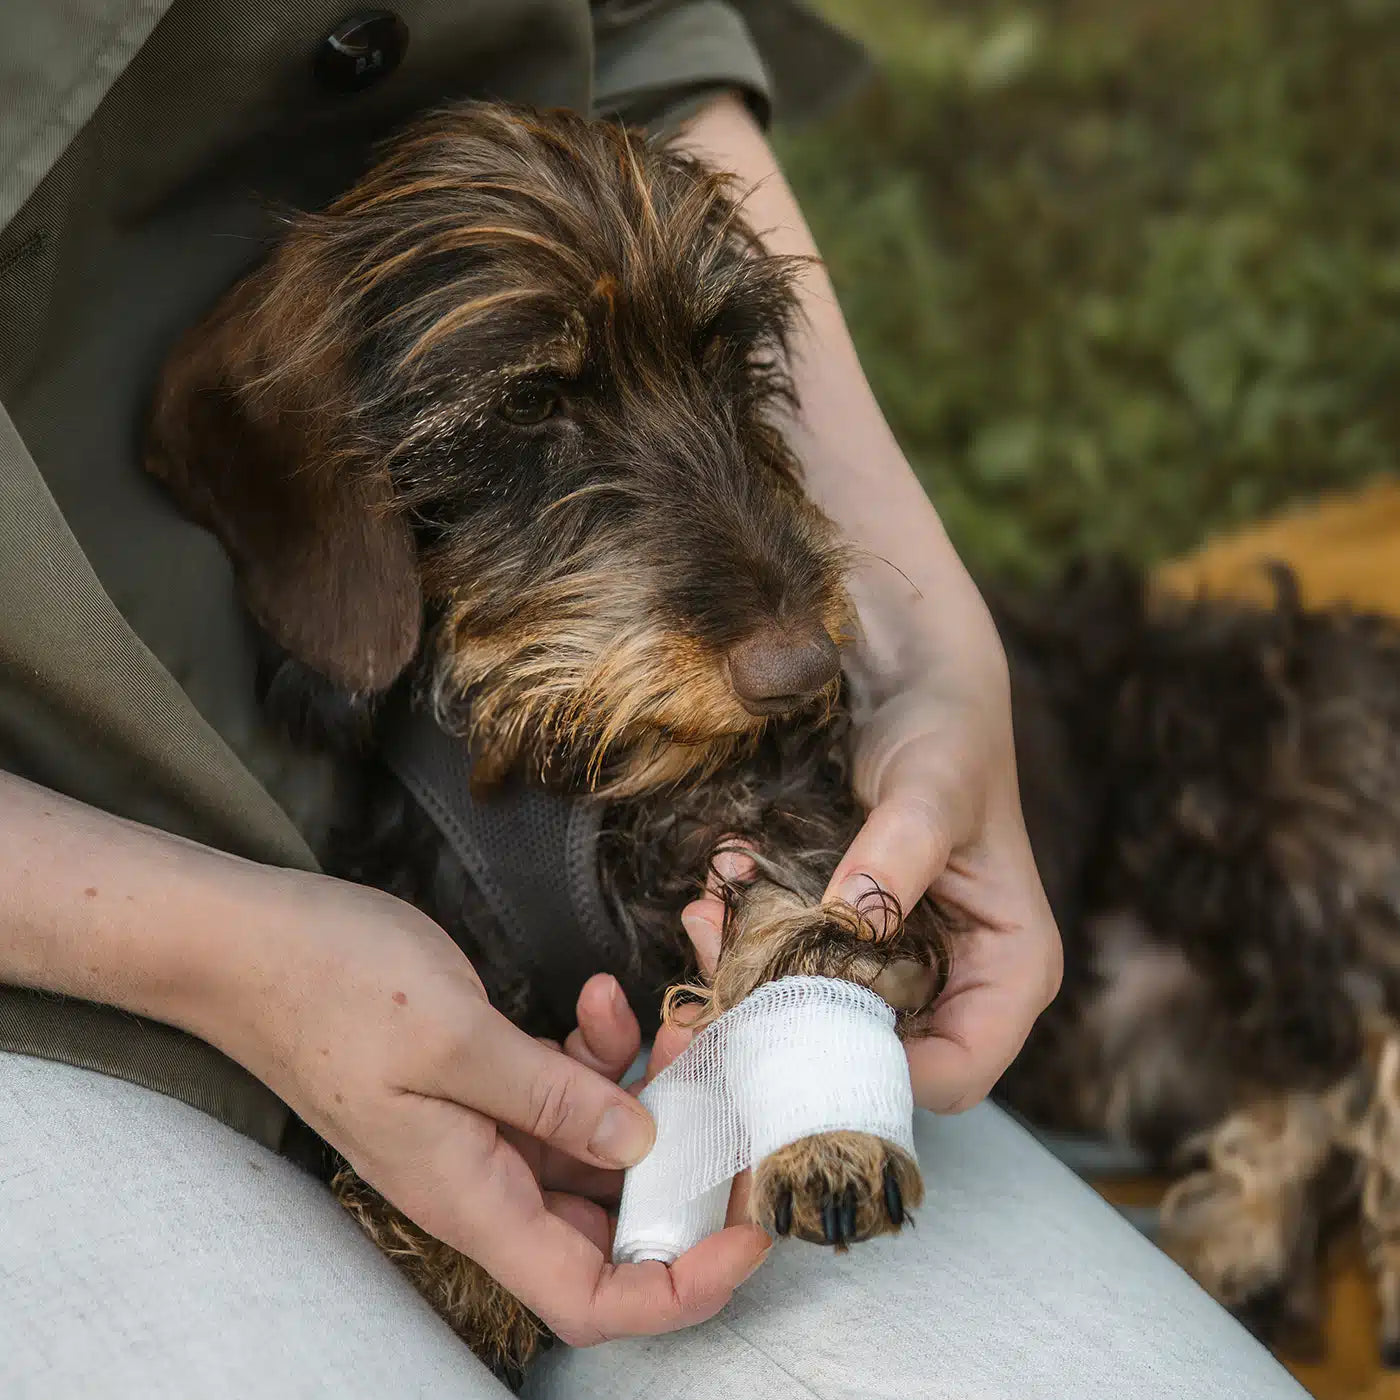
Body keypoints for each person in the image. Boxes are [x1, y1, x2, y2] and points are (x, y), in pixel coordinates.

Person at [0, 3, 1304, 1395]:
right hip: (69, 969)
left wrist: (926, 651)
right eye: (542, 419)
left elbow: (642, 35)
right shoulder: (310, 432)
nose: (786, 652)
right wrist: (226, 958)